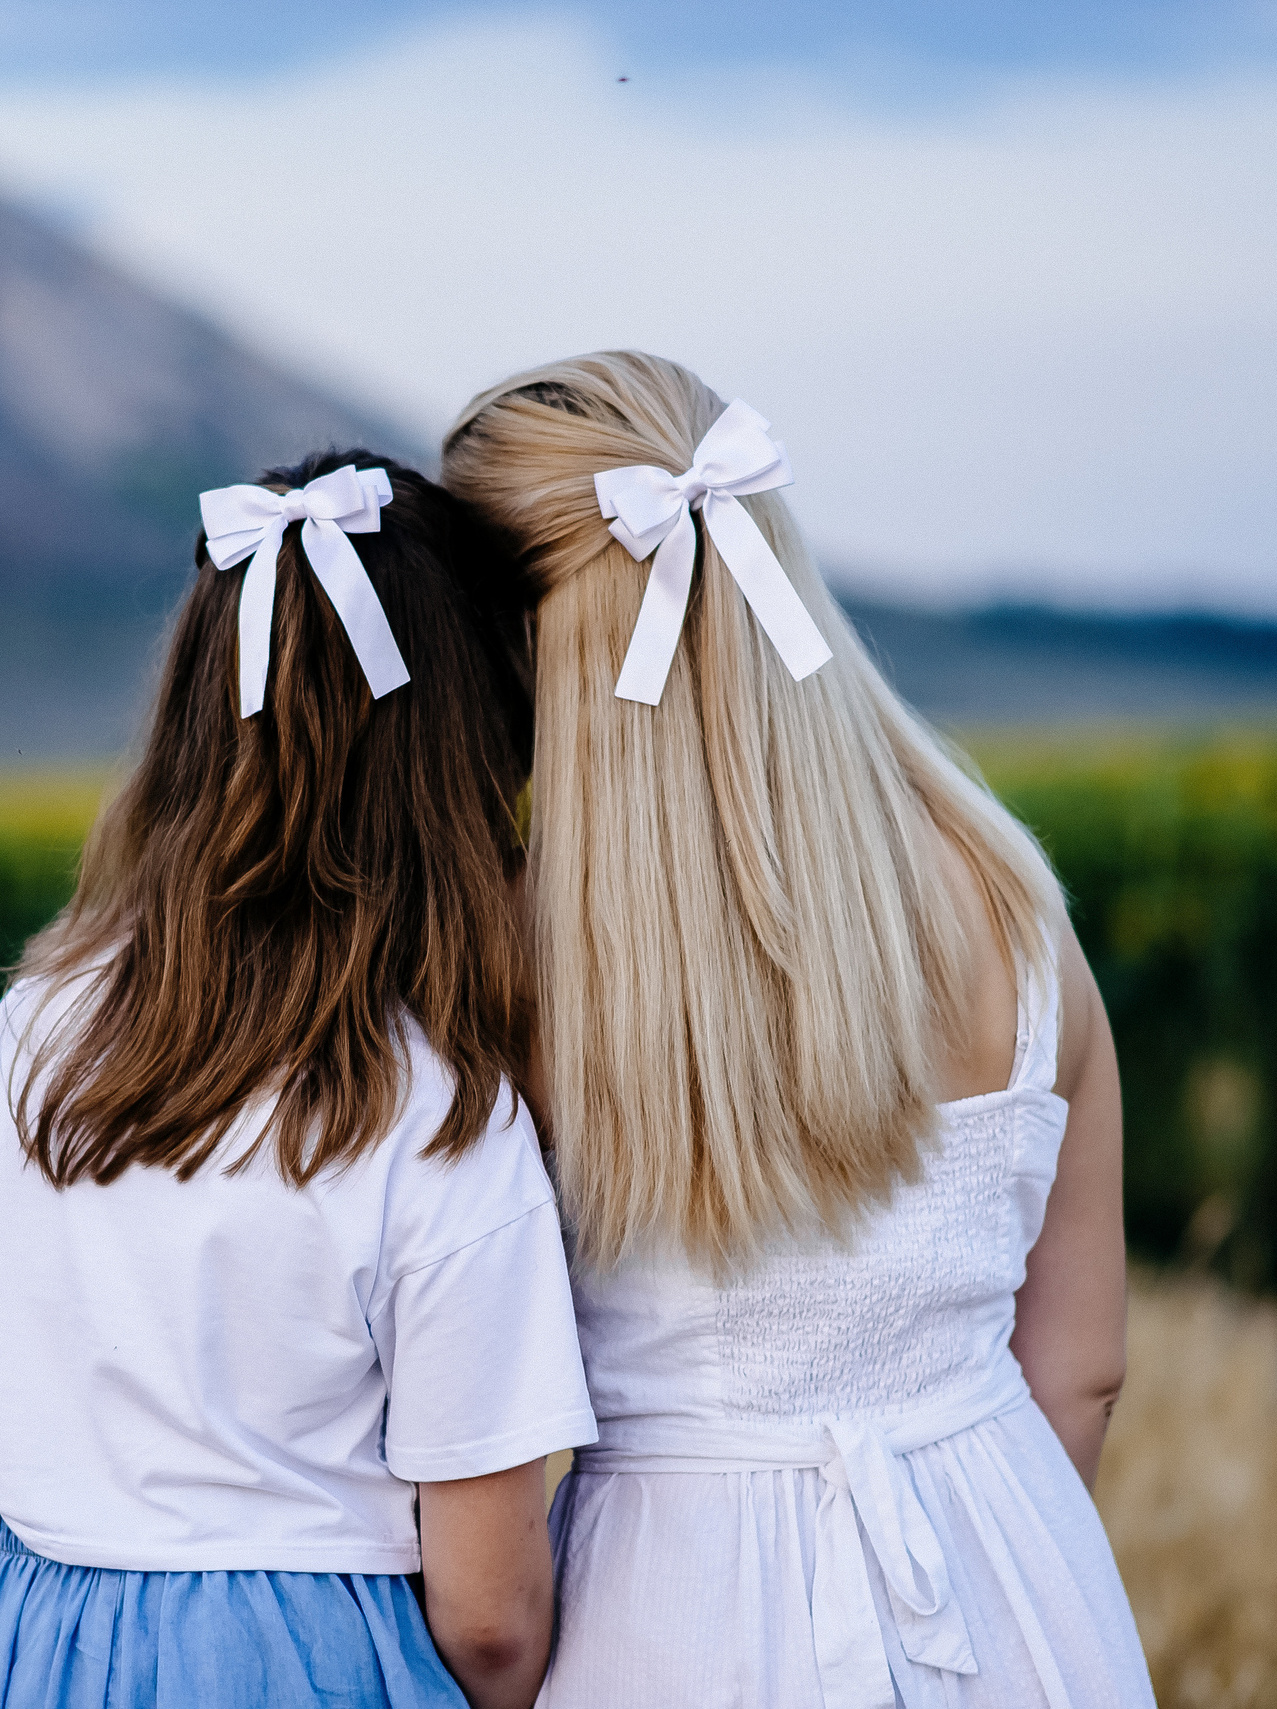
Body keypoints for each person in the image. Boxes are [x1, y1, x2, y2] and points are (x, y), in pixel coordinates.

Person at [441, 354, 1156, 1709]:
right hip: (1009, 1596)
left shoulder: (504, 957)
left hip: (669, 1627)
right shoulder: (1014, 905)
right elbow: (1083, 1371)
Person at [0, 451, 597, 1709]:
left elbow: (9, 1339)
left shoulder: (33, 1025)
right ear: (466, 759)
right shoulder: (440, 1117)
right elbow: (492, 1619)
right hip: (289, 1658)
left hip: (9, 1637)